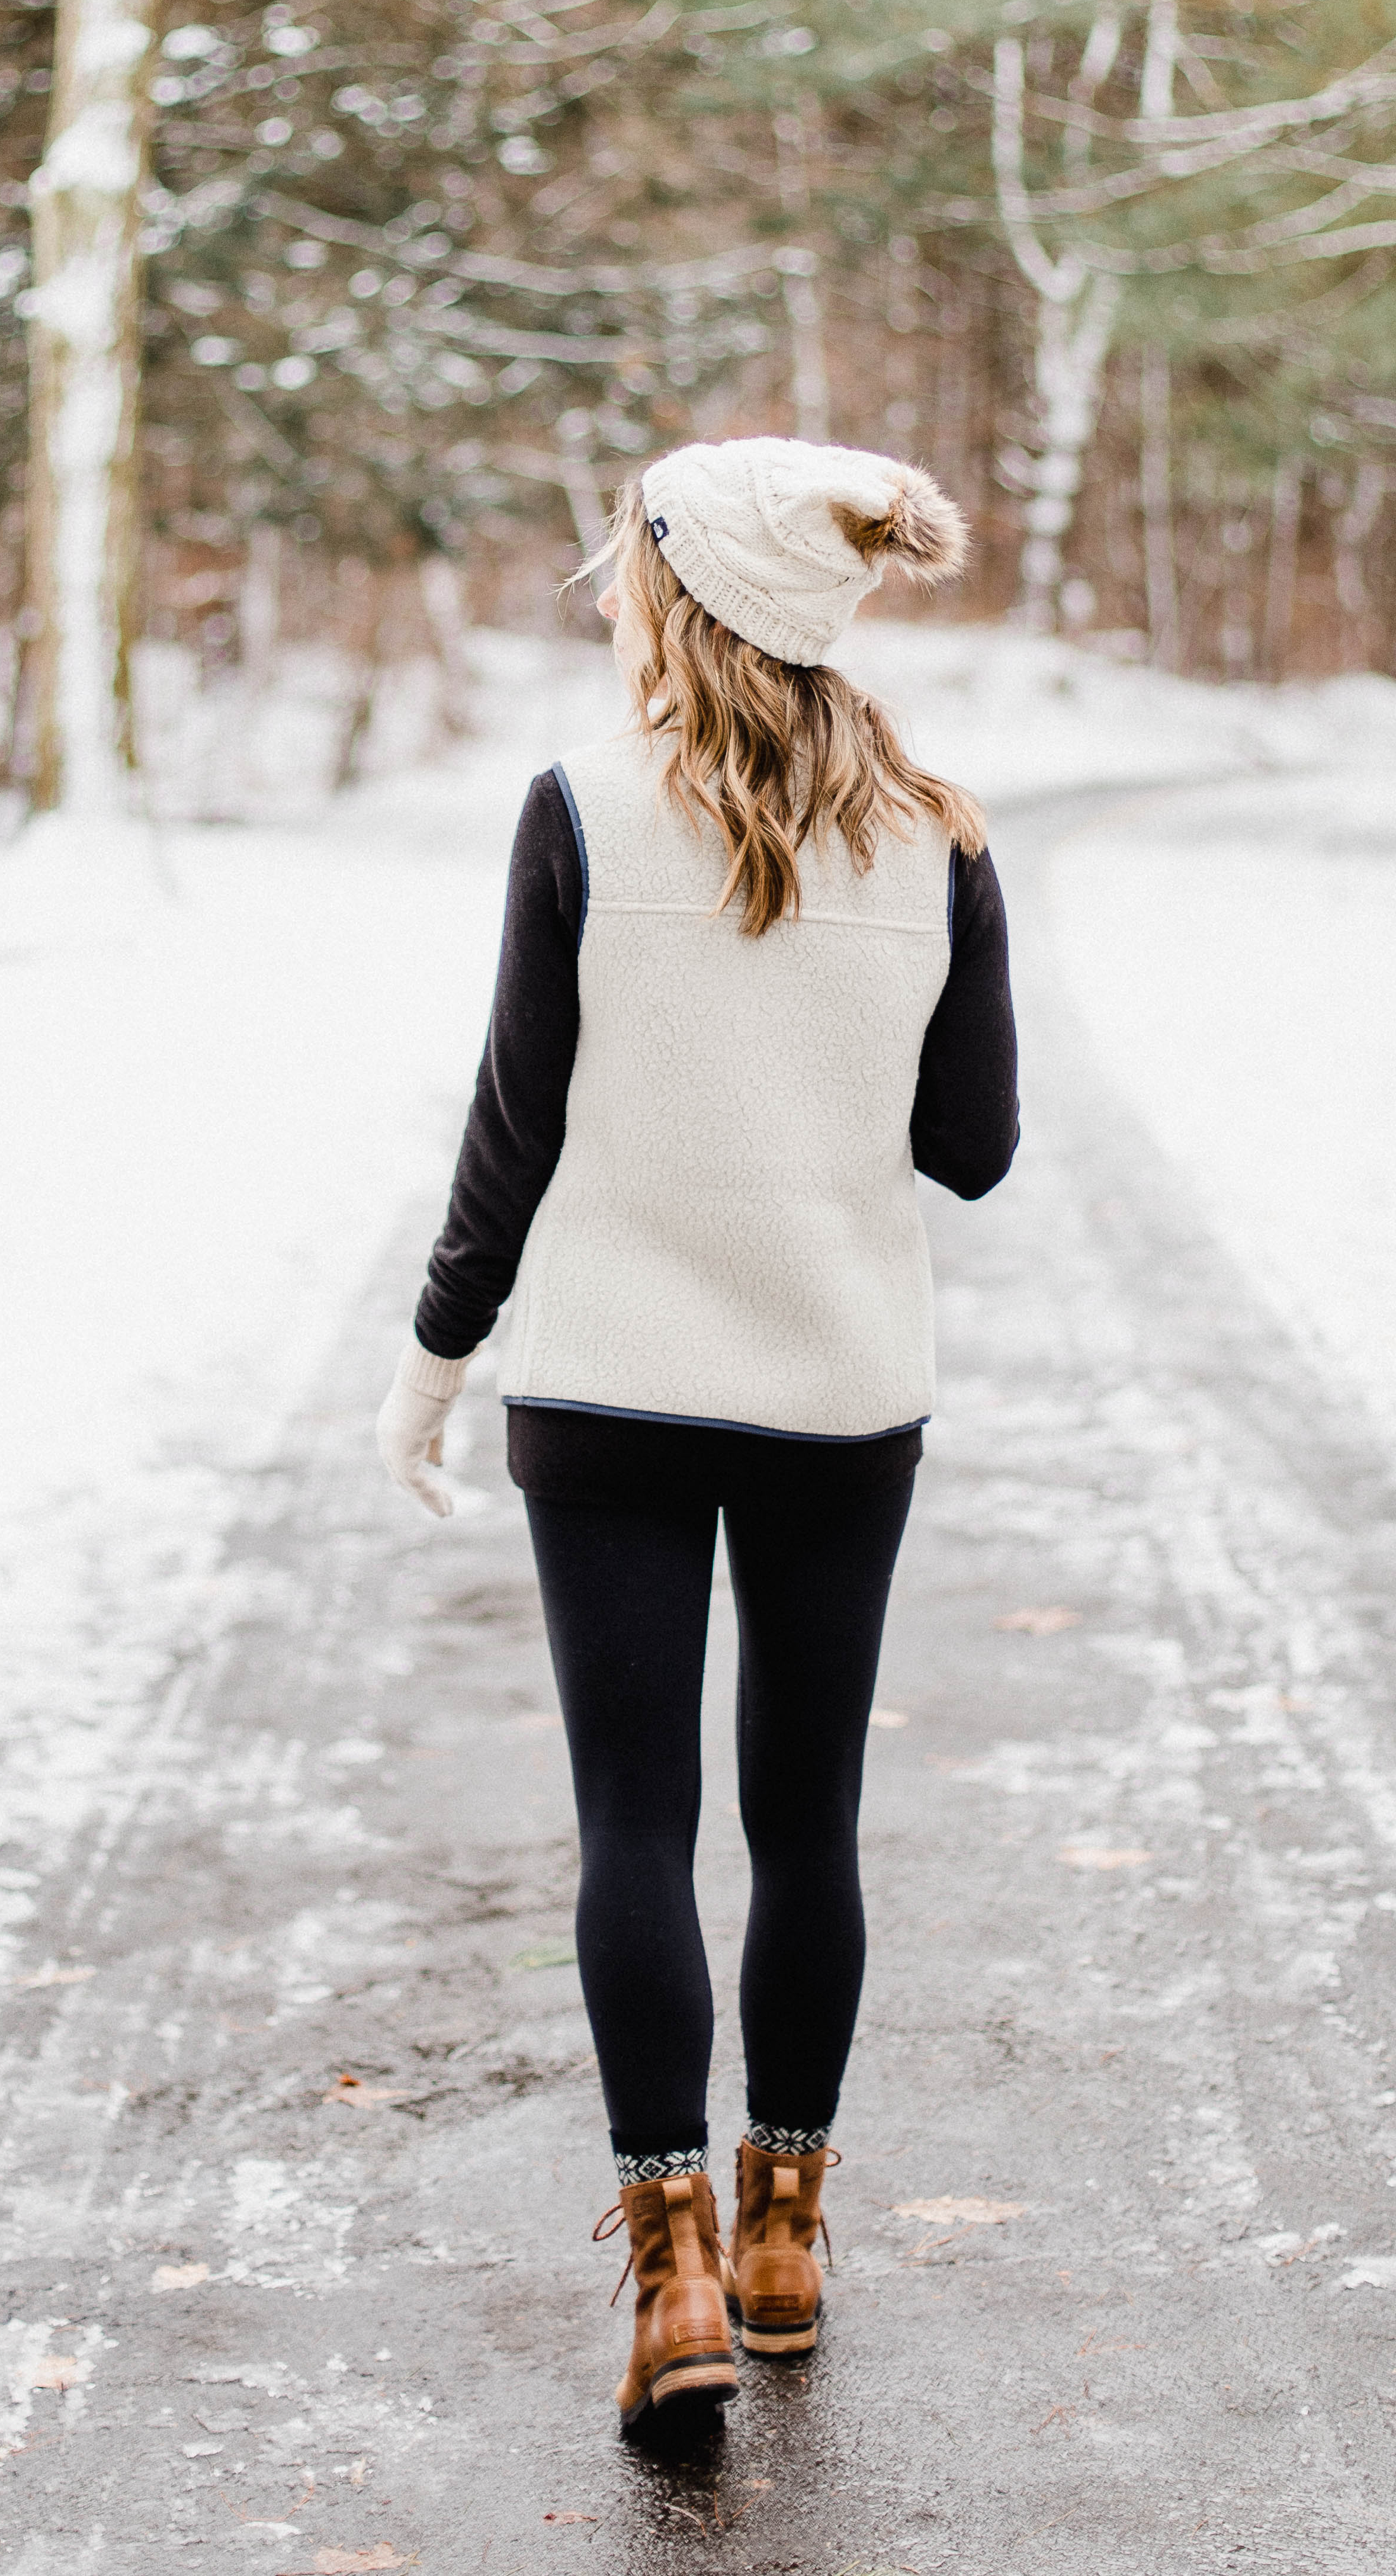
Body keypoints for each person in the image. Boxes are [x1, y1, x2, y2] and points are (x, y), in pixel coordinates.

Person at [373, 437, 1020, 2443]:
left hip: (608, 1388)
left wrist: (438, 1349)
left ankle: (663, 2277)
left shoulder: (577, 811)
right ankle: (788, 2232)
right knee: (804, 1822)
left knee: (635, 1825)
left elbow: (517, 1119)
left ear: (685, 595)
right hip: (839, 1393)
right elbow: (973, 1152)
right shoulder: (939, 839)